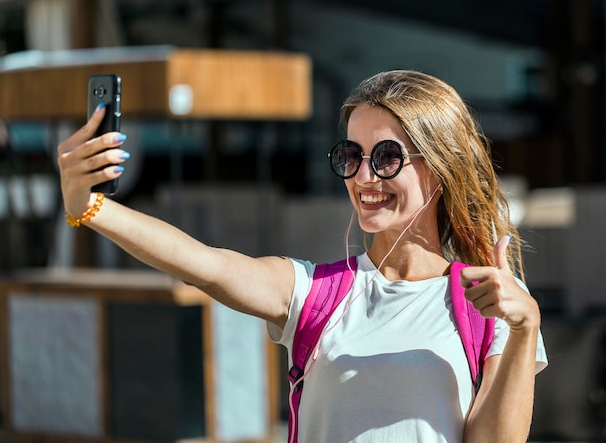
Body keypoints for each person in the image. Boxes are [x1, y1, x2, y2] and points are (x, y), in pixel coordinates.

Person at [57, 69, 547, 443]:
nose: (364, 177)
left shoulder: (493, 299)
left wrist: (525, 330)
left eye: (387, 157)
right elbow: (203, 263)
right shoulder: (315, 293)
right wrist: (93, 208)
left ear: (439, 170)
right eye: (352, 156)